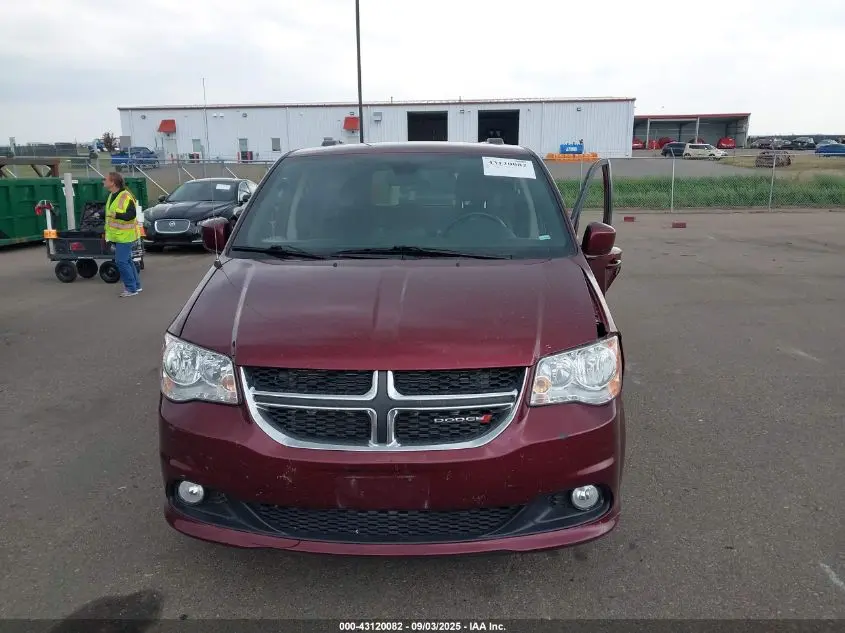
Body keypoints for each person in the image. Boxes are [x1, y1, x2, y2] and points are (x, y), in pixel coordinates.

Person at [103, 172, 143, 297]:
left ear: (113, 182)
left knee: (121, 262)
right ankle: (136, 286)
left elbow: (131, 215)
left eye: (105, 179)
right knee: (127, 260)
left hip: (125, 235)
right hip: (118, 235)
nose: (103, 181)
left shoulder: (125, 196)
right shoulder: (112, 195)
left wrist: (116, 215)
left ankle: (131, 289)